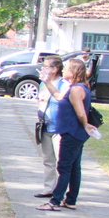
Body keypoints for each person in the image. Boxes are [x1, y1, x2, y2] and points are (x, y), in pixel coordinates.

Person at [37, 58, 96, 212]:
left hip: (72, 132)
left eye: (66, 68)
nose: (63, 70)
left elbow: (80, 113)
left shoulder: (76, 89)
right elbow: (58, 96)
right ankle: (70, 200)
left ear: (73, 71)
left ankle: (55, 201)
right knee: (74, 167)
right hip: (74, 132)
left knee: (64, 167)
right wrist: (47, 82)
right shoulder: (76, 87)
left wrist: (85, 125)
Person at [35, 56, 66, 197]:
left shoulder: (63, 84)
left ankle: (62, 190)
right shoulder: (42, 83)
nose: (43, 69)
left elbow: (62, 99)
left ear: (55, 69)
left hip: (59, 127)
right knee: (48, 160)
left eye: (46, 66)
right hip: (45, 125)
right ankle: (49, 188)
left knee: (62, 161)